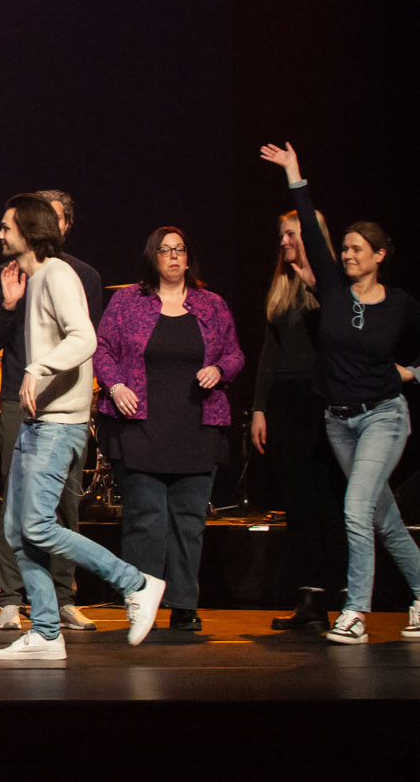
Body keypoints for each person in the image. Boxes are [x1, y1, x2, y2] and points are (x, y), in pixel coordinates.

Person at [0, 194, 165, 663]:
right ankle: (46, 631)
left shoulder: (59, 275)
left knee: (40, 525)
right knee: (18, 530)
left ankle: (137, 583)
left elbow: (84, 337)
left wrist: (37, 367)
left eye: (7, 227)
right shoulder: (38, 277)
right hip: (36, 422)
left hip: (58, 425)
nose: (0, 234)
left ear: (28, 230)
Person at [260, 143, 420, 644]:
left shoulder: (400, 305)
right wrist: (295, 176)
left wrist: (410, 374)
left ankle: (355, 612)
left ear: (379, 256)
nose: (347, 255)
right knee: (383, 519)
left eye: (356, 249)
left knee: (354, 510)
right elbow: (309, 226)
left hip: (384, 418)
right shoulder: (330, 288)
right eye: (344, 248)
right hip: (339, 421)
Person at [95, 228, 243, 633]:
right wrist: (116, 385)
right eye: (165, 250)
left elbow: (234, 352)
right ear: (153, 257)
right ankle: (140, 601)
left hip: (197, 425)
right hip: (141, 425)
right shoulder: (128, 300)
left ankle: (183, 603)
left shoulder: (211, 304)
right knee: (146, 517)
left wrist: (220, 369)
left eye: (180, 250)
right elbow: (102, 347)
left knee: (188, 519)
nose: (174, 257)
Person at [0, 188, 106, 632]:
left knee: (64, 505)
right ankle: (12, 599)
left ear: (61, 226)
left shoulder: (79, 275)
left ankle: (62, 598)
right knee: (17, 502)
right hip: (19, 397)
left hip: (64, 406)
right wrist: (10, 304)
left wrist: (71, 387)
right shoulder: (6, 272)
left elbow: (85, 340)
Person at [250, 208, 348, 630]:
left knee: (327, 502)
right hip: (286, 403)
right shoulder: (280, 285)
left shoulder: (332, 286)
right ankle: (309, 599)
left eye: (292, 234)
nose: (285, 241)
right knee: (297, 504)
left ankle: (343, 596)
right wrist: (258, 407)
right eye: (282, 235)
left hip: (321, 399)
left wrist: (317, 282)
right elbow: (270, 353)